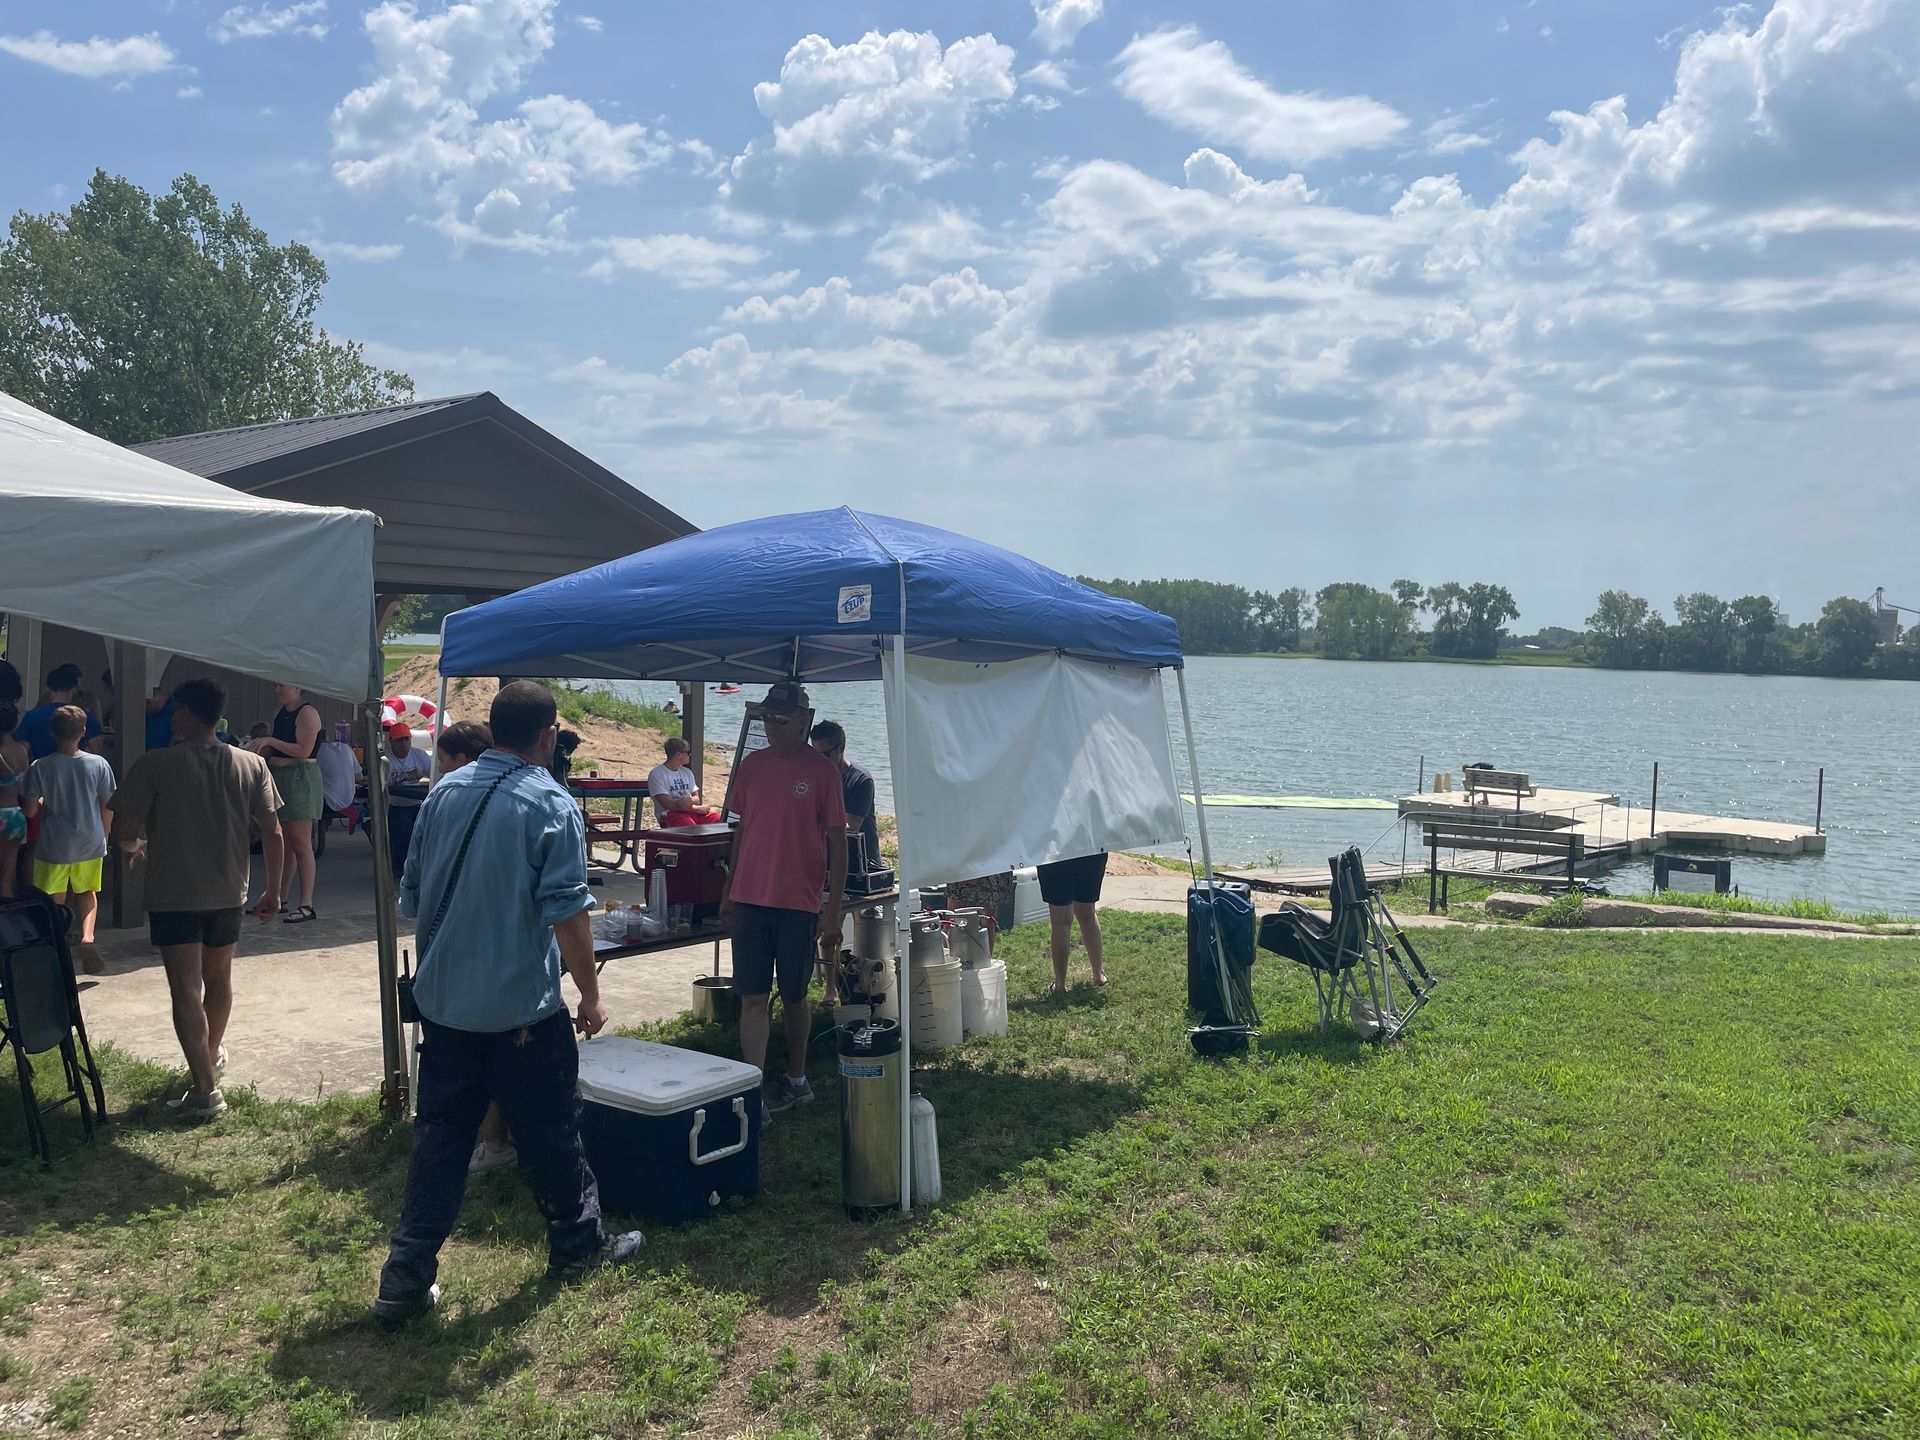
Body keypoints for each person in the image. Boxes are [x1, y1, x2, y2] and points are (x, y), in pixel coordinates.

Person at [374, 683, 642, 1324]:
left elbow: (409, 896)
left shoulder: (443, 792)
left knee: (440, 1140)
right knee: (553, 1131)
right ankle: (576, 1244)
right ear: (548, 735)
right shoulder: (549, 801)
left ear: (495, 730)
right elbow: (569, 916)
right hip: (521, 1007)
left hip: (444, 1005)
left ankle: (404, 1279)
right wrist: (592, 993)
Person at [110, 678, 284, 1117]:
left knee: (184, 988)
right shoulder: (251, 764)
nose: (170, 717)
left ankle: (205, 1089)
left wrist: (135, 851)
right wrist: (275, 890)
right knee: (219, 979)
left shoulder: (155, 764)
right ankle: (208, 1059)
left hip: (174, 893)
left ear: (188, 714)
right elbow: (274, 830)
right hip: (228, 890)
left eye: (174, 711)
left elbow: (124, 831)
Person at [718, 680, 847, 1119]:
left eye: (782, 719)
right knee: (752, 996)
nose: (773, 726)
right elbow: (740, 831)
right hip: (750, 897)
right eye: (767, 718)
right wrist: (729, 889)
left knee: (794, 995)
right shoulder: (751, 766)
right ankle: (753, 1088)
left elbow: (837, 842)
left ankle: (797, 1077)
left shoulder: (823, 772)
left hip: (799, 901)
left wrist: (832, 908)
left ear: (803, 721)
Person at [428, 721, 519, 1176]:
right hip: (508, 961)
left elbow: (411, 891)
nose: (438, 772)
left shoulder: (441, 801)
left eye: (441, 763)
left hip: (461, 962)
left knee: (473, 1059)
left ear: (462, 761)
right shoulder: (529, 799)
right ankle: (500, 1139)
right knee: (509, 1055)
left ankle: (491, 1142)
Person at [20, 707, 116, 973]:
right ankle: (87, 937)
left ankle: (57, 947)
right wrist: (105, 833)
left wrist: (40, 800)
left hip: (54, 844)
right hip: (90, 839)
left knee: (54, 899)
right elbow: (108, 804)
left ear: (53, 733)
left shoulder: (40, 767)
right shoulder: (99, 764)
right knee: (88, 894)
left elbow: (30, 811)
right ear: (83, 732)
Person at [248, 684, 323, 923]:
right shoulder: (281, 712)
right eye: (276, 685)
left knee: (301, 845)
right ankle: (278, 898)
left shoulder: (307, 712)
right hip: (281, 778)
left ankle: (307, 904)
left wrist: (269, 739)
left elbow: (304, 750)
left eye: (282, 685)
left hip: (300, 779)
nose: (277, 689)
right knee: (284, 842)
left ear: (299, 687)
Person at [807, 721, 878, 873]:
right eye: (814, 755)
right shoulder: (814, 778)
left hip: (862, 864)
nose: (820, 761)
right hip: (827, 858)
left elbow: (851, 826)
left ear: (841, 747)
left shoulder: (861, 780)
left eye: (825, 755)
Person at [1038, 852, 1110, 991]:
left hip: (1055, 856)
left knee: (1061, 922)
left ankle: (1060, 984)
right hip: (1090, 852)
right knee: (1087, 915)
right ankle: (1098, 974)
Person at [16, 664, 101, 760]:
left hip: (41, 770)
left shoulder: (32, 716)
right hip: (75, 769)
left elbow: (22, 751)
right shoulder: (84, 717)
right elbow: (96, 751)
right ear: (74, 688)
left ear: (49, 688)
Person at [383, 722, 435, 878]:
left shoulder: (419, 755)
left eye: (407, 739)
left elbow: (436, 777)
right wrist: (403, 777)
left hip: (417, 804)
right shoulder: (385, 759)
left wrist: (421, 773)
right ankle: (402, 869)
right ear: (391, 741)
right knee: (402, 836)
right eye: (399, 740)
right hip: (394, 805)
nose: (404, 743)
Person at [646, 737, 721, 827]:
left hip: (691, 812)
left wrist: (688, 803)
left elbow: (696, 798)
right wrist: (696, 808)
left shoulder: (687, 772)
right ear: (678, 755)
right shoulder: (657, 774)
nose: (690, 755)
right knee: (689, 828)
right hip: (671, 815)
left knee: (720, 820)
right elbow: (668, 804)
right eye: (688, 753)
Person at [316, 721, 363, 836]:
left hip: (328, 803)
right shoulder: (345, 747)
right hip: (349, 799)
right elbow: (359, 777)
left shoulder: (316, 751)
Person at [0, 703, 26, 901]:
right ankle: (10, 915)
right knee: (8, 873)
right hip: (17, 814)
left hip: (1, 813)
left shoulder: (2, 753)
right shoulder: (21, 750)